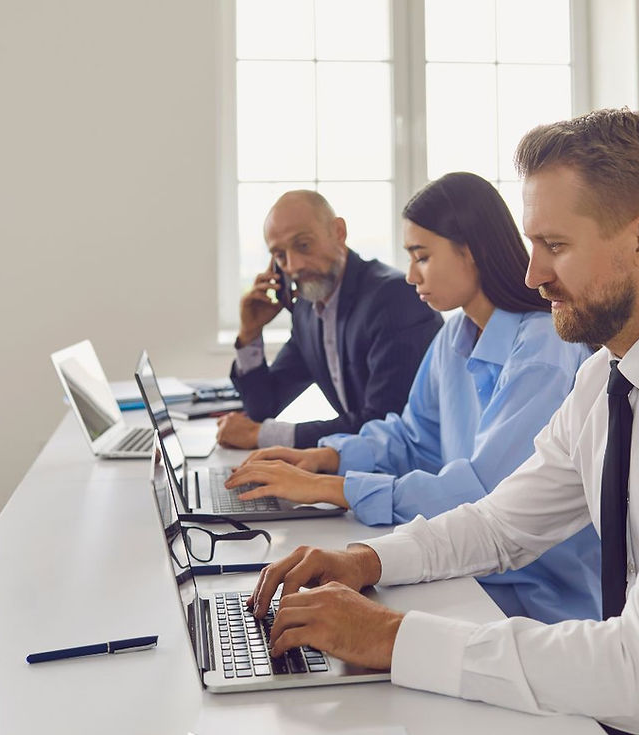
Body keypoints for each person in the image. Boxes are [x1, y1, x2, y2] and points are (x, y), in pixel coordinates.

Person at [243, 110, 639, 735]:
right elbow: (500, 524)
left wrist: (391, 635)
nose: (531, 274)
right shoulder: (604, 377)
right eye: (533, 244)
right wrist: (361, 559)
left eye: (555, 245)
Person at [226, 172, 600, 623]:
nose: (410, 275)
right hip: (462, 571)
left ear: (473, 251)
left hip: (533, 596)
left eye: (422, 257)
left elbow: (486, 496)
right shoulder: (455, 336)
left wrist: (334, 488)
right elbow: (412, 438)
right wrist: (326, 458)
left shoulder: (543, 350)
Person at [218, 190, 442, 450]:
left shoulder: (394, 298)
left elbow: (382, 423)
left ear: (338, 232)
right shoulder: (307, 309)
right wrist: (250, 333)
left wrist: (264, 436)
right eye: (280, 255)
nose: (294, 266)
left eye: (303, 245)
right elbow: (263, 408)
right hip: (363, 466)